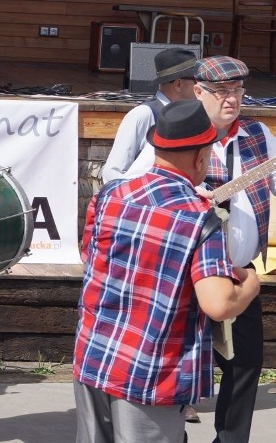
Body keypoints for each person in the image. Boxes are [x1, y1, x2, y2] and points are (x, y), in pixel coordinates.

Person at [75, 99, 260, 443]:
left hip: (94, 354)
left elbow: (90, 255)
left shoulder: (110, 195)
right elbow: (218, 303)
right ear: (201, 156)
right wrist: (250, 283)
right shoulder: (200, 218)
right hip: (152, 370)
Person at [195, 56, 273, 443]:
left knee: (245, 363)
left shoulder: (258, 135)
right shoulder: (180, 133)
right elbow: (144, 186)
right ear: (199, 92)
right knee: (186, 361)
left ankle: (230, 440)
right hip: (191, 275)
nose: (232, 99)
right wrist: (193, 196)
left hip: (240, 272)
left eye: (238, 91)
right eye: (222, 91)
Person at [102, 47, 198, 182]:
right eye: (196, 80)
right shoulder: (143, 114)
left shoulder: (190, 117)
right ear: (178, 84)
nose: (200, 86)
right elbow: (113, 171)